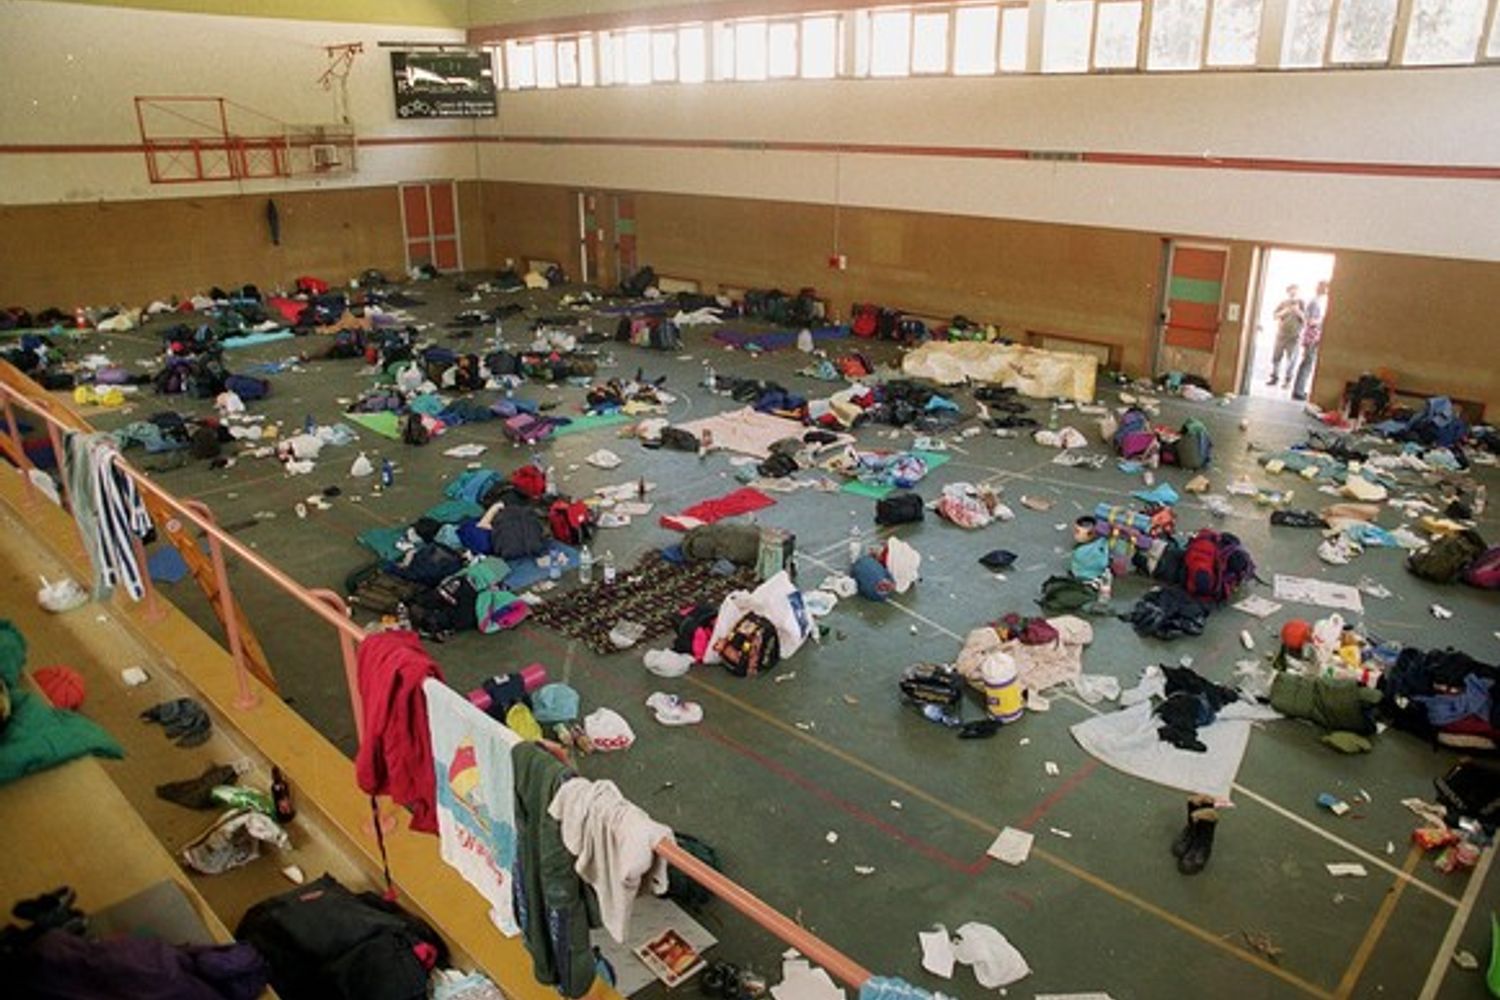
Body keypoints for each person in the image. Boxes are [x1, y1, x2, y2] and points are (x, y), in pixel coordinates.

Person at [1291, 280, 1329, 401]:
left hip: (1313, 336)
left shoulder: (1318, 302)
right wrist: (1324, 320)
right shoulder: (1315, 302)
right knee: (1307, 363)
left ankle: (1300, 389)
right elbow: (1311, 321)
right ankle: (1299, 390)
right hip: (1312, 337)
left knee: (1308, 363)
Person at [1267, 285, 1304, 387]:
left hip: (1294, 336)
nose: (1293, 293)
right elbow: (1274, 315)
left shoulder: (1302, 303)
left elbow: (1307, 319)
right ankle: (1274, 377)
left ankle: (1288, 380)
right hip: (1281, 334)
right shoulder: (1283, 303)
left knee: (1291, 359)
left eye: (1295, 290)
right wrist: (1285, 311)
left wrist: (1298, 311)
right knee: (1276, 357)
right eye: (1291, 291)